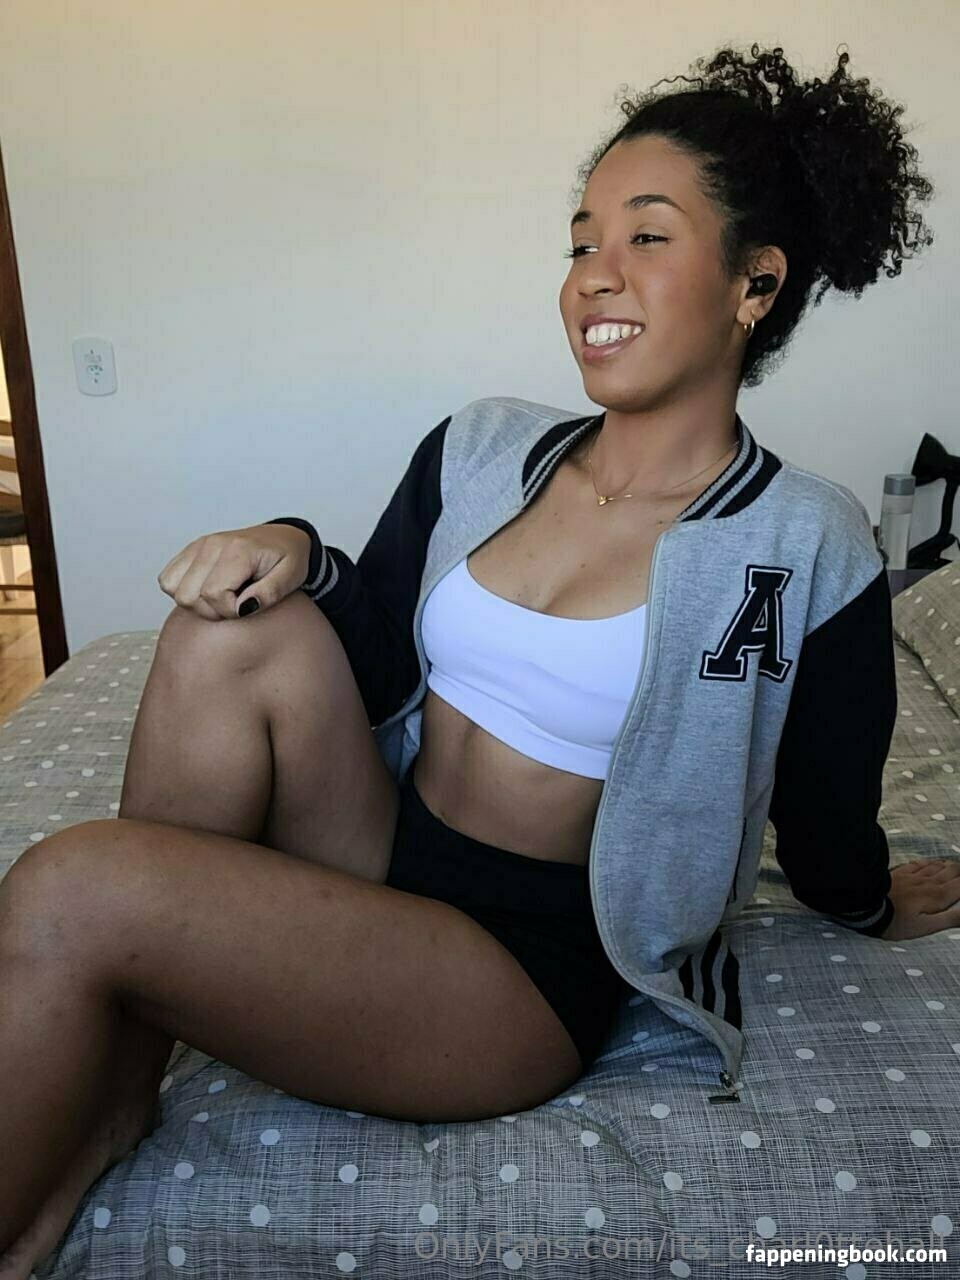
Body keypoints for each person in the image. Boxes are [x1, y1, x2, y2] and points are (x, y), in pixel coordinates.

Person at [0, 40, 951, 1277]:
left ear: (753, 283)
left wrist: (868, 898)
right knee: (221, 634)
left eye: (646, 236)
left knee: (74, 884)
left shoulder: (803, 539)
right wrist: (295, 546)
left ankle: (108, 1022)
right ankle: (121, 1085)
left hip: (516, 965)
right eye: (580, 240)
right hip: (384, 839)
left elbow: (824, 798)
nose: (594, 273)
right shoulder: (487, 445)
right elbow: (372, 642)